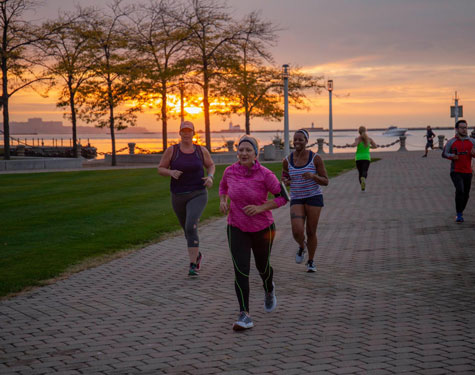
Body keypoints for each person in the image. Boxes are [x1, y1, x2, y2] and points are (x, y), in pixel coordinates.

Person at [219, 136, 287, 331]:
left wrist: (261, 208)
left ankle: (269, 288)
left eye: (248, 150)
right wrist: (223, 200)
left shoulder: (265, 174)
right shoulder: (229, 171)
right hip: (236, 227)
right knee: (241, 270)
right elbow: (223, 186)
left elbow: (283, 197)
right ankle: (244, 314)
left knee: (262, 266)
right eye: (241, 150)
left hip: (263, 228)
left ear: (256, 154)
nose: (243, 153)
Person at [158, 121, 215, 276]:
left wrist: (210, 177)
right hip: (178, 195)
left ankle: (192, 264)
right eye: (184, 130)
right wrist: (170, 173)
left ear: (193, 133)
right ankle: (197, 254)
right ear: (180, 133)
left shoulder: (200, 151)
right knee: (186, 229)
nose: (186, 133)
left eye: (189, 130)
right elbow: (160, 168)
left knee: (191, 226)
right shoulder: (173, 151)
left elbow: (211, 165)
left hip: (198, 193)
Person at [282, 129, 329, 272]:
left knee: (310, 231)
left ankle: (311, 261)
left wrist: (313, 177)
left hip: (313, 196)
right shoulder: (287, 160)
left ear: (306, 141)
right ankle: (302, 247)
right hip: (297, 197)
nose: (297, 142)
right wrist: (285, 181)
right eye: (295, 139)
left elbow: (325, 181)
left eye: (300, 139)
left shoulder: (315, 158)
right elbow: (285, 179)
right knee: (297, 231)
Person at [442, 119, 475, 223]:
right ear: (457, 129)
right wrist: (452, 156)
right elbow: (444, 153)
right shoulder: (451, 142)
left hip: (468, 172)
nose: (464, 130)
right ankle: (459, 214)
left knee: (466, 194)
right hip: (456, 171)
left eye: (466, 127)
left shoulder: (472, 141)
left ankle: (461, 211)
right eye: (462, 128)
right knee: (460, 190)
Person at [349, 126, 377, 191]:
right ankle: (363, 178)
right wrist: (369, 147)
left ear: (359, 132)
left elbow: (354, 145)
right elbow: (375, 146)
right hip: (366, 158)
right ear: (365, 131)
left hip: (358, 158)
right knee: (365, 171)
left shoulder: (358, 139)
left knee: (360, 172)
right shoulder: (369, 139)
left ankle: (362, 185)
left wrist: (349, 144)